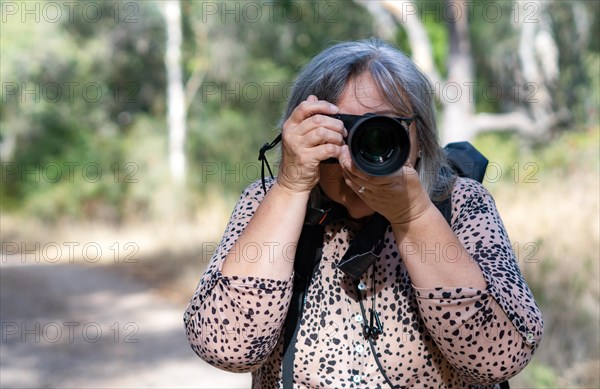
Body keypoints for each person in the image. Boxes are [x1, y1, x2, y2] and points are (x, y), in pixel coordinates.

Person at [184, 38, 543, 388]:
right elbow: (225, 347)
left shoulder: (461, 202)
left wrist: (415, 215)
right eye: (340, 129)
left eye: (382, 130)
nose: (357, 151)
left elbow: (501, 356)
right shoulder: (267, 202)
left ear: (421, 137)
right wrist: (291, 188)